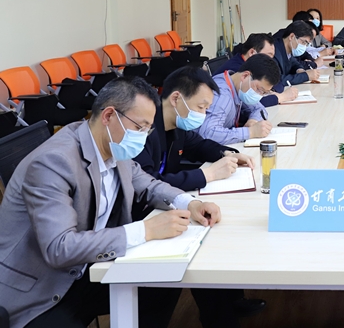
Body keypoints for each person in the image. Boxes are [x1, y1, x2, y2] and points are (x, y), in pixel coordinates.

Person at [0, 77, 222, 328]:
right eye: (139, 127)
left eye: (148, 129)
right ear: (108, 116)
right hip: (43, 288)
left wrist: (189, 203)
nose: (143, 136)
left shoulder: (112, 146)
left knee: (162, 284)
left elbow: (148, 184)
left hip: (87, 267)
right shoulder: (54, 161)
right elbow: (60, 248)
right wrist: (146, 230)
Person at [133, 67, 263, 326]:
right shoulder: (143, 129)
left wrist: (227, 153)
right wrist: (206, 175)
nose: (202, 115)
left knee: (211, 238)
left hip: (168, 205)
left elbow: (198, 144)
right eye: (201, 107)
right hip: (142, 215)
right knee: (204, 248)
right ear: (176, 98)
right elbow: (147, 184)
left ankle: (228, 306)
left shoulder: (176, 125)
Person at [197, 53, 281, 145]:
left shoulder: (239, 87)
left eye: (264, 93)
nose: (259, 95)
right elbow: (208, 133)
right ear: (245, 76)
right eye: (259, 90)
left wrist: (253, 121)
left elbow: (260, 109)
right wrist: (251, 132)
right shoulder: (222, 95)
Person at [214, 33, 299, 106]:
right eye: (268, 56)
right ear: (252, 52)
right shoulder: (237, 69)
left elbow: (278, 83)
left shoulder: (255, 67)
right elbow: (249, 103)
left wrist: (267, 90)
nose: (270, 61)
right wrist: (281, 97)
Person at [272, 20, 321, 86]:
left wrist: (299, 70)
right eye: (303, 42)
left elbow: (294, 63)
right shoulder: (274, 51)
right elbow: (276, 80)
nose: (304, 46)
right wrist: (305, 76)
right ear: (291, 36)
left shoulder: (288, 50)